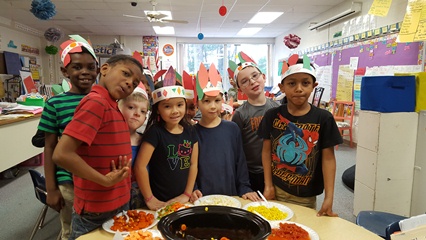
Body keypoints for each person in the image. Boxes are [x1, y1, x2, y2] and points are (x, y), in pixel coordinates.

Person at [52, 54, 144, 240]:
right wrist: (104, 180)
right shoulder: (96, 103)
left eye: (134, 83)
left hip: (115, 202)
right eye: (125, 74)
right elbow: (62, 154)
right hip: (98, 208)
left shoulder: (111, 104)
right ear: (104, 69)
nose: (129, 83)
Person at [257, 54, 343, 217]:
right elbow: (266, 152)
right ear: (281, 87)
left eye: (305, 83)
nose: (299, 88)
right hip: (277, 189)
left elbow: (328, 159)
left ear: (313, 86)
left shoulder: (323, 118)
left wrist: (329, 197)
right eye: (292, 83)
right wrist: (268, 185)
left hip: (306, 195)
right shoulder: (271, 115)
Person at [37, 35, 98, 240]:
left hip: (99, 179)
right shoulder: (55, 104)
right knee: (71, 231)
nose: (85, 72)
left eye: (91, 67)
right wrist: (51, 188)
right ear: (65, 72)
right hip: (69, 182)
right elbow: (49, 147)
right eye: (77, 67)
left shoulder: (104, 100)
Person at [190, 63, 260, 203]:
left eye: (217, 100)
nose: (213, 106)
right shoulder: (192, 133)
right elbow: (190, 166)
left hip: (230, 195)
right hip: (202, 196)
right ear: (198, 104)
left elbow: (240, 161)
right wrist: (193, 188)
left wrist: (244, 187)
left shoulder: (232, 129)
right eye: (206, 101)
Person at [134, 66, 199, 211]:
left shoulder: (190, 131)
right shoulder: (155, 133)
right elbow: (140, 166)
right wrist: (150, 199)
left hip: (184, 201)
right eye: (167, 106)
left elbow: (193, 164)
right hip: (159, 203)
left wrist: (187, 193)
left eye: (180, 105)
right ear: (158, 109)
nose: (175, 111)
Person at [230, 53, 279, 194]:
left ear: (263, 77)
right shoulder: (240, 114)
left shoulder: (276, 108)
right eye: (244, 81)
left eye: (255, 76)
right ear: (240, 89)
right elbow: (236, 147)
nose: (252, 82)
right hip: (251, 173)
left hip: (276, 169)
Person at [118, 83, 150, 209]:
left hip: (141, 197)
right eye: (131, 107)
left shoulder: (145, 142)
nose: (137, 114)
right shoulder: (113, 140)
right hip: (118, 198)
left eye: (143, 111)